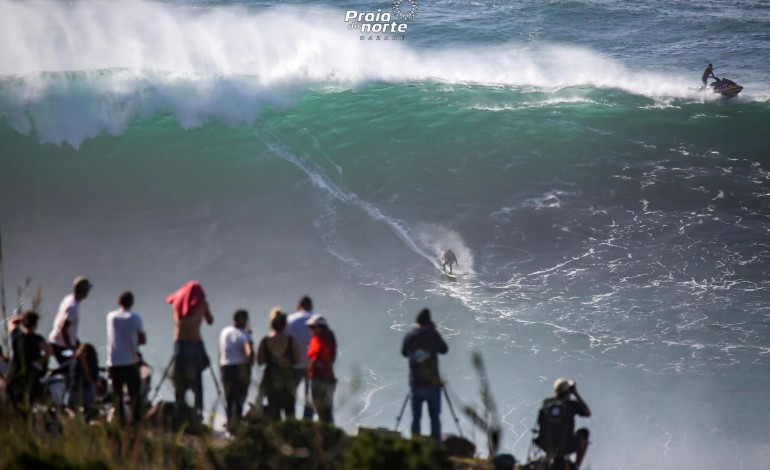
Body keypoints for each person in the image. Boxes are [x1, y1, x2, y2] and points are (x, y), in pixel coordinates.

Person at [166, 281, 214, 420]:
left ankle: (179, 410)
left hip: (179, 343)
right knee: (197, 380)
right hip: (195, 343)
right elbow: (210, 321)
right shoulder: (202, 304)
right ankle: (198, 412)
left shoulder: (176, 303)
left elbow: (175, 322)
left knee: (179, 377)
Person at [401, 308, 448, 442]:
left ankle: (415, 443)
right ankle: (436, 445)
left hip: (416, 383)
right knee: (434, 417)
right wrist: (434, 332)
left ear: (417, 322)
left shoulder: (409, 336)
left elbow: (404, 353)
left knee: (416, 417)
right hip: (432, 383)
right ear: (428, 322)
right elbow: (444, 349)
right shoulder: (432, 334)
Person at [107, 291, 147, 425]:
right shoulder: (135, 318)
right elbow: (143, 339)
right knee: (134, 394)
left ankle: (119, 422)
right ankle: (136, 422)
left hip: (114, 362)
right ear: (132, 303)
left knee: (117, 395)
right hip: (130, 362)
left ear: (119, 302)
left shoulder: (111, 317)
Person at [534, 378, 592, 470]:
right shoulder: (570, 404)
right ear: (568, 392)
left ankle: (550, 460)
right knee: (584, 433)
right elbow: (587, 413)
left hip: (544, 444)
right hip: (565, 445)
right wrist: (575, 393)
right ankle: (576, 467)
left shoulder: (546, 402)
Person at [257, 308, 300, 421]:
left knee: (274, 412)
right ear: (285, 325)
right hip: (288, 380)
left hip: (271, 380)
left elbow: (260, 361)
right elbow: (298, 360)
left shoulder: (265, 341)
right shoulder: (291, 340)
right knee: (290, 412)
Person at [7, 311, 51, 409]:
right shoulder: (37, 339)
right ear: (35, 325)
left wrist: (22, 318)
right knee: (28, 404)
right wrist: (41, 361)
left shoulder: (16, 336)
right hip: (30, 376)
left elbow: (11, 322)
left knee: (14, 404)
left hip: (14, 375)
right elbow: (48, 351)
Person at [219, 309, 253, 430]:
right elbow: (249, 353)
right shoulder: (244, 334)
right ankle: (236, 425)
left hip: (226, 367)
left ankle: (229, 423)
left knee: (229, 398)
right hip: (240, 368)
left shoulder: (225, 331)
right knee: (239, 399)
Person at [49, 276, 92, 364]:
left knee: (81, 360)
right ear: (83, 291)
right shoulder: (73, 307)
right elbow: (64, 328)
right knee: (71, 368)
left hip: (59, 342)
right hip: (60, 346)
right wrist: (70, 348)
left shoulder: (69, 299)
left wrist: (77, 344)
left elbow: (67, 327)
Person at [286, 296, 315, 419]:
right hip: (312, 364)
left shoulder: (290, 320)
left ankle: (290, 420)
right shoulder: (316, 320)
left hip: (294, 363)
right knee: (310, 396)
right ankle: (307, 422)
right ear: (310, 306)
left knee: (290, 393)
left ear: (299, 306)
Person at [306, 314, 337, 423]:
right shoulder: (330, 339)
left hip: (319, 378)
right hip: (328, 379)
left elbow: (315, 357)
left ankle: (324, 432)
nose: (312, 331)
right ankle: (328, 430)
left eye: (313, 328)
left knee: (320, 409)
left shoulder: (319, 341)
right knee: (326, 410)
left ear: (319, 327)